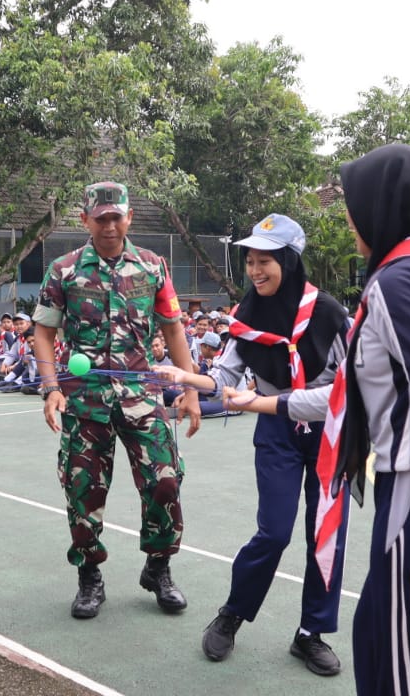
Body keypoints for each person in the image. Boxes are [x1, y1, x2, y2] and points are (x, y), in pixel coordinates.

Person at [223, 145, 410, 696]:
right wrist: (259, 403)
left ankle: (314, 626)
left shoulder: (400, 282)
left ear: (384, 206)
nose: (349, 216)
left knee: (394, 663)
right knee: (380, 642)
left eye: (353, 202)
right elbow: (342, 399)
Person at [154, 213, 352, 676]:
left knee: (325, 536)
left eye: (265, 261)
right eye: (250, 261)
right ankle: (232, 614)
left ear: (288, 260)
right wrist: (185, 377)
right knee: (274, 532)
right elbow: (222, 378)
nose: (256, 270)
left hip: (330, 433)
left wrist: (271, 402)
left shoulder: (329, 314)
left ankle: (311, 633)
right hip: (278, 433)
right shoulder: (246, 316)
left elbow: (348, 390)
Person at [31, 181, 202, 620]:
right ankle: (89, 575)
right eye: (100, 217)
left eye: (116, 216)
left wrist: (190, 389)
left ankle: (158, 567)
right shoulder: (64, 270)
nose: (109, 225)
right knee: (82, 490)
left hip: (142, 397)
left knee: (165, 481)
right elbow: (45, 333)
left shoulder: (152, 267)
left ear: (128, 218)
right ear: (86, 220)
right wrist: (52, 389)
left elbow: (174, 329)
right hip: (84, 401)